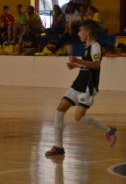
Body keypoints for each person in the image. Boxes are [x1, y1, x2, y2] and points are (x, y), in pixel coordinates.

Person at [46, 19, 117, 156]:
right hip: (78, 84)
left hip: (88, 88)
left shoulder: (95, 46)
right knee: (59, 110)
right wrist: (77, 66)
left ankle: (108, 131)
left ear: (87, 32)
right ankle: (58, 147)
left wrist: (78, 61)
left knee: (79, 117)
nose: (78, 34)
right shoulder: (88, 47)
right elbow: (89, 65)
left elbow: (96, 65)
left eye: (80, 31)